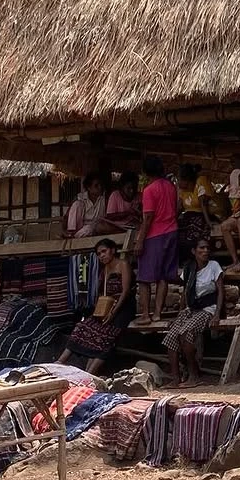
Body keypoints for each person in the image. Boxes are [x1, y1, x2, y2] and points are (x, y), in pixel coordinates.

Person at [59, 239, 135, 374]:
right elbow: (101, 294)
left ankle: (90, 373)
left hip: (124, 308)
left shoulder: (123, 264)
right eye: (99, 254)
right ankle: (60, 362)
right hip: (106, 307)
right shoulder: (104, 270)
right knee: (82, 327)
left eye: (104, 252)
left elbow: (126, 291)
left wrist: (113, 313)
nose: (102, 256)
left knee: (106, 335)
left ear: (113, 250)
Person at [162, 238, 223, 386]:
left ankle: (194, 375)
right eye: (201, 248)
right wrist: (181, 312)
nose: (205, 251)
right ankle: (176, 378)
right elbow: (186, 291)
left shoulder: (214, 266)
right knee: (171, 336)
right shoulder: (189, 267)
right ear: (194, 251)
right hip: (191, 308)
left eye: (207, 248)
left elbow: (221, 292)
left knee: (186, 332)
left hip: (208, 308)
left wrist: (217, 314)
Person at [135, 156, 179, 324]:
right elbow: (176, 208)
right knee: (164, 276)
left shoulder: (149, 190)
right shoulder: (171, 187)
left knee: (144, 277)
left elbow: (148, 218)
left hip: (155, 235)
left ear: (145, 172)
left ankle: (145, 314)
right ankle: (157, 313)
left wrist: (140, 240)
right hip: (171, 231)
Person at [177, 163, 219, 255]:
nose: (178, 182)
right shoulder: (182, 190)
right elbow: (179, 208)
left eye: (179, 179)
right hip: (189, 216)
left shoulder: (201, 181)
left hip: (206, 214)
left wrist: (208, 222)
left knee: (194, 227)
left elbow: (203, 203)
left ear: (186, 180)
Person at [63, 173, 107, 239]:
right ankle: (71, 234)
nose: (100, 187)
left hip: (94, 230)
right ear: (89, 188)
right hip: (79, 228)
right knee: (77, 204)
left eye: (100, 185)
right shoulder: (80, 198)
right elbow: (66, 216)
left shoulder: (104, 200)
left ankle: (73, 238)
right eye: (96, 185)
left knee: (90, 228)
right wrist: (64, 230)